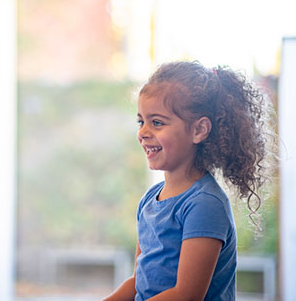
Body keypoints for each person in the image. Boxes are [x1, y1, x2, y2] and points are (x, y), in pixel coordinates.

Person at [103, 61, 273, 301]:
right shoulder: (150, 200)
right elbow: (137, 282)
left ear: (199, 130)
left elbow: (186, 295)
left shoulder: (204, 204)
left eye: (157, 122)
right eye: (141, 121)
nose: (143, 132)